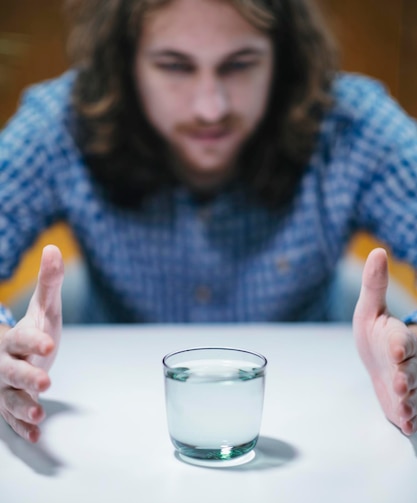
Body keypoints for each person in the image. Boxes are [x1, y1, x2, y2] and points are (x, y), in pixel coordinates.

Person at [0, 0, 417, 443]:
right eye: (174, 66)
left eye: (240, 64)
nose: (210, 108)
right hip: (115, 417)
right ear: (125, 59)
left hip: (311, 412)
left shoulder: (350, 122)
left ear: (284, 54)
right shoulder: (62, 120)